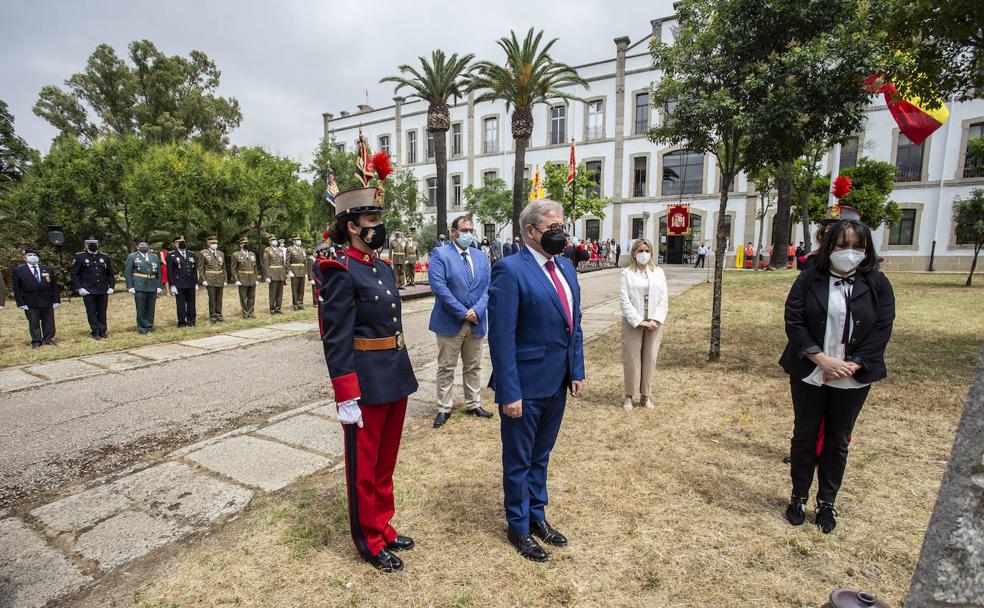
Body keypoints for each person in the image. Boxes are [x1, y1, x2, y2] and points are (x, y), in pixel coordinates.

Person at [319, 167, 418, 573]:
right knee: (364, 464)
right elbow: (335, 336)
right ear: (351, 226)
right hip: (364, 380)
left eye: (379, 218)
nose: (379, 225)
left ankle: (384, 523)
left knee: (385, 461)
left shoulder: (380, 266)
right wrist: (346, 394)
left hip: (393, 371)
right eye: (372, 220)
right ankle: (368, 539)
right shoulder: (339, 270)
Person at [780, 217, 895, 534]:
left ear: (867, 250)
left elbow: (881, 330)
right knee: (805, 435)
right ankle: (798, 496)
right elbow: (794, 320)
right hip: (811, 370)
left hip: (852, 376)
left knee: (837, 439)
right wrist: (820, 359)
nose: (850, 252)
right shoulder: (809, 280)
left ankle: (826, 502)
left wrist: (852, 364)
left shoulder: (877, 284)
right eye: (843, 245)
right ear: (830, 247)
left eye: (857, 246)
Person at [488, 199, 585, 563]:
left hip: (556, 381)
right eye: (552, 227)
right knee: (519, 459)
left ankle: (536, 516)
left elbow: (574, 322)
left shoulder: (566, 268)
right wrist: (509, 392)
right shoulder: (510, 270)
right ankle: (517, 525)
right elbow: (501, 337)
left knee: (541, 456)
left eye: (562, 226)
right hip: (524, 386)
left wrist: (576, 368)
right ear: (530, 232)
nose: (560, 233)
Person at [429, 215, 493, 428]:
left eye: (471, 230)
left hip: (477, 321)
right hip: (451, 321)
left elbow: (488, 287)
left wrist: (478, 310)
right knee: (446, 367)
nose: (468, 234)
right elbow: (439, 287)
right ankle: (443, 407)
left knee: (473, 366)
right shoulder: (441, 254)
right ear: (453, 232)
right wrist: (463, 312)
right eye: (464, 230)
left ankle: (473, 403)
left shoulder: (480, 256)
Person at [618, 239, 668, 410]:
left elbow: (663, 298)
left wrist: (656, 319)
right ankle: (629, 395)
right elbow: (624, 299)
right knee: (631, 358)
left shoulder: (659, 272)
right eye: (640, 251)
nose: (644, 254)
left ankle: (646, 395)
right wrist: (638, 321)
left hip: (654, 321)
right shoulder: (627, 273)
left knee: (650, 357)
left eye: (647, 251)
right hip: (633, 321)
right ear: (634, 253)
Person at [11, 248, 60, 348]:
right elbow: (16, 288)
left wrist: (56, 299)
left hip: (46, 299)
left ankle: (48, 338)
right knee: (34, 322)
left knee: (49, 321)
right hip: (30, 300)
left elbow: (54, 286)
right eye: (29, 255)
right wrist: (20, 302)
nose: (32, 257)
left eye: (34, 255)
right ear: (24, 258)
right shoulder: (19, 270)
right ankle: (36, 341)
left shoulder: (47, 269)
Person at [71, 235, 115, 340]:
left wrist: (111, 286)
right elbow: (74, 274)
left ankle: (103, 330)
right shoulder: (79, 257)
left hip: (102, 289)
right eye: (90, 244)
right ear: (85, 245)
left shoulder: (104, 257)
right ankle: (95, 331)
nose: (93, 246)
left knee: (102, 311)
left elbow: (110, 273)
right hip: (88, 289)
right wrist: (79, 288)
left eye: (94, 244)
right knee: (91, 311)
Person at [125, 237, 163, 334]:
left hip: (152, 284)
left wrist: (159, 285)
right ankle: (142, 327)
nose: (144, 246)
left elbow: (159, 272)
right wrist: (130, 286)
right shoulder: (132, 256)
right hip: (139, 285)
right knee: (141, 307)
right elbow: (128, 272)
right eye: (141, 244)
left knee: (150, 307)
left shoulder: (154, 257)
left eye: (145, 244)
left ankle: (149, 325)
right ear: (137, 247)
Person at [166, 236, 198, 327]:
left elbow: (194, 269)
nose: (182, 243)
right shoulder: (171, 255)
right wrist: (172, 285)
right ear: (175, 244)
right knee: (181, 304)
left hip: (190, 283)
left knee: (191, 303)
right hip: (179, 283)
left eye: (183, 241)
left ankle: (191, 321)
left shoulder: (191, 254)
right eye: (179, 242)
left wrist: (196, 282)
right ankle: (182, 322)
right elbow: (170, 271)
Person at [198, 236, 226, 323]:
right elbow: (201, 267)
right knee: (212, 298)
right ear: (208, 243)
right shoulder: (203, 253)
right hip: (210, 278)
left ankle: (219, 314)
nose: (215, 245)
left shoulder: (221, 253)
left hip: (220, 278)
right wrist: (203, 279)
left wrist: (225, 279)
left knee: (219, 298)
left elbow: (224, 267)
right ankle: (213, 316)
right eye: (213, 243)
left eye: (216, 243)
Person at [229, 237, 258, 319]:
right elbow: (233, 269)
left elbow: (255, 267)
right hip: (242, 279)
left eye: (247, 243)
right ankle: (245, 314)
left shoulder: (252, 254)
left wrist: (256, 278)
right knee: (243, 298)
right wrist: (236, 279)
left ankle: (251, 312)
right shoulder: (236, 255)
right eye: (244, 243)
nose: (246, 245)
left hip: (252, 278)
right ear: (240, 244)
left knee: (252, 297)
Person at [262, 235, 288, 314]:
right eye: (272, 240)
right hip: (273, 274)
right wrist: (267, 276)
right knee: (273, 292)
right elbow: (266, 264)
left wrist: (284, 274)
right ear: (269, 242)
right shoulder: (267, 250)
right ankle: (272, 308)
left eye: (275, 240)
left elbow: (282, 263)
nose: (274, 241)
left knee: (280, 292)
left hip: (280, 274)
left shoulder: (280, 250)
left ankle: (278, 308)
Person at [287, 234, 310, 310]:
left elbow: (305, 262)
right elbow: (287, 261)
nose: (299, 241)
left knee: (301, 289)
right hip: (294, 270)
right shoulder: (290, 249)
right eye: (297, 240)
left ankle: (300, 303)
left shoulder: (302, 250)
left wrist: (306, 272)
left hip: (302, 271)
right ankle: (295, 304)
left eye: (299, 240)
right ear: (294, 241)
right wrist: (289, 271)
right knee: (295, 289)